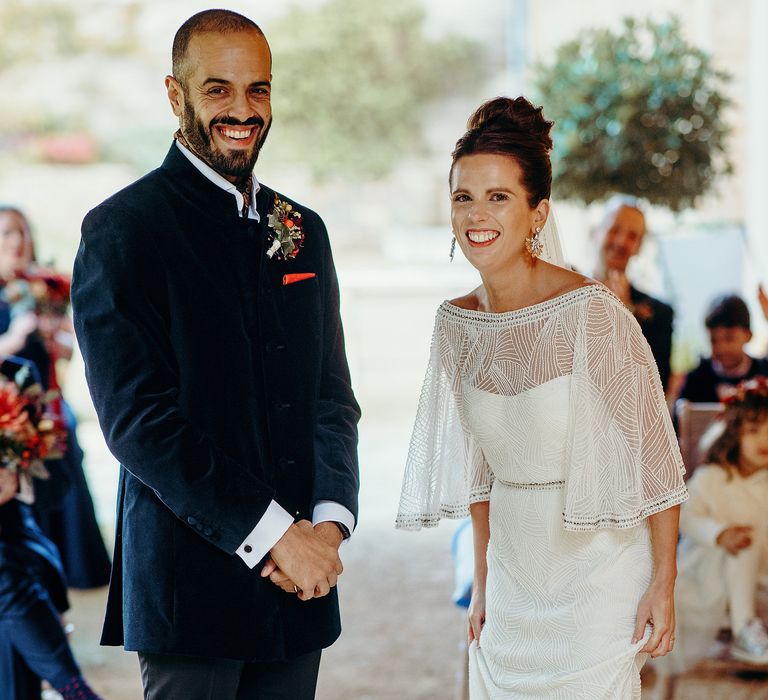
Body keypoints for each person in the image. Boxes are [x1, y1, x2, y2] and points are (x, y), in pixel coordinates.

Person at [71, 9, 360, 699]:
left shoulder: (302, 230)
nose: (242, 110)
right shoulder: (122, 231)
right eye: (219, 89)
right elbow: (139, 424)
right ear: (176, 96)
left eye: (258, 90)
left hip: (301, 591)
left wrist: (326, 529)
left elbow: (330, 397)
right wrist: (275, 535)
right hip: (188, 594)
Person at [397, 96, 687, 698]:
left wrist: (664, 582)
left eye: (498, 196)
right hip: (512, 574)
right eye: (463, 197)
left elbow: (657, 464)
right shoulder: (456, 325)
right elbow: (479, 471)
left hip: (598, 576)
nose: (478, 214)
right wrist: (480, 579)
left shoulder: (592, 315)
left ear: (537, 213)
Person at [0, 205, 112, 590]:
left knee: (63, 477)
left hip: (47, 405)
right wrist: (14, 337)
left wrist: (57, 340)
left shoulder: (45, 287)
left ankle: (73, 569)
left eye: (19, 232)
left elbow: (69, 348)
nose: (14, 241)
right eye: (5, 234)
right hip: (7, 416)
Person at [0, 360, 103, 700]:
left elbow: (57, 483)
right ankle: (75, 689)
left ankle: (75, 689)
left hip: (17, 545)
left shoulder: (18, 375)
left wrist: (19, 476)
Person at [671, 376, 768, 669]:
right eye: (753, 430)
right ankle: (743, 629)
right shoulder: (712, 478)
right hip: (706, 570)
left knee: (750, 542)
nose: (764, 440)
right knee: (743, 540)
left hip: (759, 573)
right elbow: (686, 518)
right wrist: (720, 533)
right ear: (732, 434)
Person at [593, 196, 675, 392]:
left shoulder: (660, 314)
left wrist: (625, 316)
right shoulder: (563, 293)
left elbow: (656, 386)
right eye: (614, 230)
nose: (621, 242)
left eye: (632, 236)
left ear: (639, 247)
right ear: (598, 232)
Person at [678, 293, 768, 404]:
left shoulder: (763, 374)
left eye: (729, 339)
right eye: (714, 340)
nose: (721, 348)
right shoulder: (696, 379)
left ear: (748, 335)